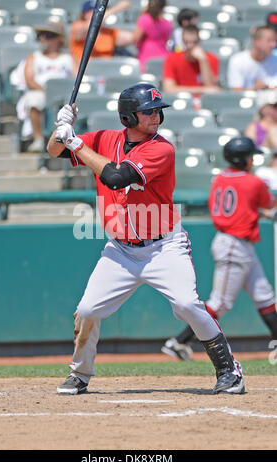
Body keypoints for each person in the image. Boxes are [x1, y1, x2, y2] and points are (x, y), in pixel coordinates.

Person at [47, 82, 245, 395]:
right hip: (120, 251)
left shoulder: (161, 148)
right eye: (148, 111)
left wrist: (75, 143)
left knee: (188, 304)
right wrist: (60, 127)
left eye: (158, 111)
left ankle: (229, 371)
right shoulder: (103, 139)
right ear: (128, 117)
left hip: (164, 247)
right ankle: (80, 374)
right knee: (87, 310)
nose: (156, 116)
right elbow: (54, 150)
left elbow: (114, 177)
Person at [162, 137, 277, 361]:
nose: (252, 160)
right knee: (220, 303)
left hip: (236, 242)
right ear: (242, 159)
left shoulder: (220, 178)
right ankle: (178, 342)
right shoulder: (253, 182)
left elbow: (244, 207)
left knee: (265, 296)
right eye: (250, 156)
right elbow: (269, 203)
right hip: (234, 244)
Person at [15, 20, 75, 153]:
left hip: (65, 94)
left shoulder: (68, 58)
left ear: (59, 39)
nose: (43, 39)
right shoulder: (33, 57)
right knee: (34, 100)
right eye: (41, 35)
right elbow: (30, 80)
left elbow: (76, 79)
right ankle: (38, 139)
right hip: (41, 92)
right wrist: (49, 92)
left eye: (48, 35)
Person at [162, 25, 220, 95]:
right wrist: (202, 90)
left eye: (194, 42)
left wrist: (203, 60)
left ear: (199, 41)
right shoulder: (171, 59)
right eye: (187, 42)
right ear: (183, 41)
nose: (190, 46)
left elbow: (211, 88)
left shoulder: (211, 58)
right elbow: (169, 89)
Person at [70, 0, 134, 62]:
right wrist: (117, 8)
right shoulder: (78, 26)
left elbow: (133, 37)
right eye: (95, 11)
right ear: (85, 14)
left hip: (105, 69)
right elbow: (87, 28)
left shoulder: (107, 32)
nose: (100, 13)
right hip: (84, 70)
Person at [227, 25, 277, 92]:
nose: (273, 45)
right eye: (269, 41)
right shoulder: (238, 60)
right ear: (256, 41)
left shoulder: (275, 61)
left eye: (274, 41)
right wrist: (255, 89)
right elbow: (235, 92)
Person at [131, 0, 172, 73]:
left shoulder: (144, 19)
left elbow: (135, 38)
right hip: (164, 59)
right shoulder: (167, 23)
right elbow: (167, 40)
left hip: (146, 59)